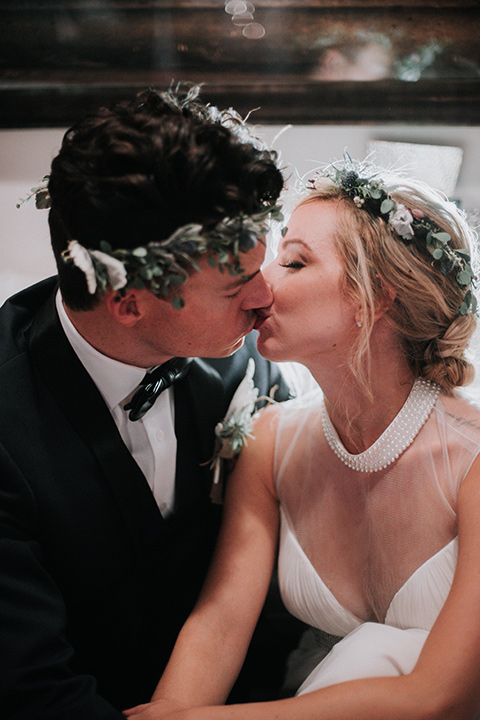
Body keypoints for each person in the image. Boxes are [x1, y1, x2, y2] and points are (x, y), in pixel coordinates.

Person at [124, 156, 480, 720]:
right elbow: (220, 620)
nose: (260, 286)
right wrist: (167, 710)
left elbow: (440, 694)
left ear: (375, 297)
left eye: (293, 263)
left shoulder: (473, 460)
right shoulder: (271, 442)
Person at [0, 84, 299, 720]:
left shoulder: (240, 353)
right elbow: (29, 687)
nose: (266, 297)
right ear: (129, 302)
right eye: (234, 287)